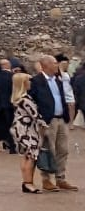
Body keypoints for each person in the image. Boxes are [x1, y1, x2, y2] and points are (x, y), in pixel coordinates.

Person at [28, 56, 76, 192]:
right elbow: (32, 100)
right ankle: (46, 179)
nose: (57, 66)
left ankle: (60, 178)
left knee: (63, 150)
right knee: (48, 150)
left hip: (61, 118)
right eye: (55, 63)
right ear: (46, 65)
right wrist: (39, 119)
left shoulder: (58, 80)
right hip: (47, 121)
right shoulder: (36, 81)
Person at [12, 78, 45, 195]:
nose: (30, 83)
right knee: (31, 155)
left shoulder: (18, 98)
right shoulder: (25, 99)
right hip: (27, 130)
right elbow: (35, 114)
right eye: (28, 81)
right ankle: (28, 182)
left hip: (20, 128)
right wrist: (45, 125)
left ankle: (27, 181)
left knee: (25, 155)